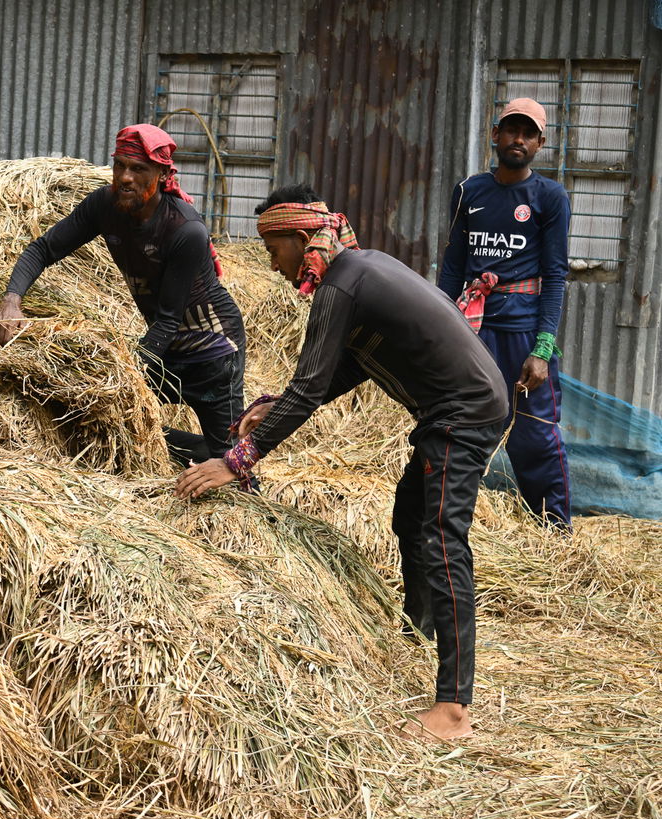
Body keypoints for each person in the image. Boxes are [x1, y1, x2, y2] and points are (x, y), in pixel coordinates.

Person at [176, 184, 508, 741]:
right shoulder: (356, 270)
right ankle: (417, 633)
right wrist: (273, 405)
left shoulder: (341, 285)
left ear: (301, 238)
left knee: (442, 541)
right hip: (457, 409)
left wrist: (237, 461)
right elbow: (346, 368)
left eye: (272, 249)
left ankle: (453, 710)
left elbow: (310, 389)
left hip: (463, 413)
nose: (272, 264)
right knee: (410, 519)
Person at [0, 123, 247, 465]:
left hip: (213, 352)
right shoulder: (105, 205)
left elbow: (169, 320)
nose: (126, 178)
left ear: (161, 174)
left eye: (138, 169)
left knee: (231, 464)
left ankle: (213, 455)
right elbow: (43, 249)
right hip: (165, 344)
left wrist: (125, 373)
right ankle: (193, 450)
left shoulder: (184, 230)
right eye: (120, 166)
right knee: (103, 415)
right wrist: (11, 300)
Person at [438, 97, 572, 529]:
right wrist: (440, 328)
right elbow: (454, 266)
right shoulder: (468, 191)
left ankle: (553, 534)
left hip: (523, 335)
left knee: (536, 440)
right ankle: (457, 525)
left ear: (540, 143)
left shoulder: (550, 197)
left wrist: (543, 348)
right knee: (463, 432)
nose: (519, 139)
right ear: (495, 134)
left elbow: (554, 276)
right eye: (511, 130)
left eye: (529, 133)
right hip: (473, 332)